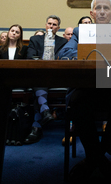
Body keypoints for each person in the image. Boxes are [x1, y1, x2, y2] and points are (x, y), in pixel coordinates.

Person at [57, 0, 111, 181]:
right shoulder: (79, 31)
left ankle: (94, 158)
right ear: (91, 13)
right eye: (97, 8)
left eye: (106, 8)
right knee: (78, 105)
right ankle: (102, 161)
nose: (101, 11)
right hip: (86, 88)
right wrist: (97, 52)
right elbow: (65, 53)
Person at [23, 16, 68, 144]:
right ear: (45, 25)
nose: (51, 26)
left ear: (58, 28)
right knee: (39, 79)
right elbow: (31, 57)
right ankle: (41, 117)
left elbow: (62, 58)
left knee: (38, 83)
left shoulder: (63, 41)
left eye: (54, 24)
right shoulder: (35, 39)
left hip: (55, 74)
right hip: (39, 72)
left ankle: (40, 118)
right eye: (49, 23)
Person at [0, 24, 28, 141]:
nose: (14, 33)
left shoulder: (24, 49)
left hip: (18, 80)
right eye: (12, 31)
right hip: (3, 80)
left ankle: (8, 125)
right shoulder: (1, 49)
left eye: (17, 32)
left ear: (20, 35)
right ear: (8, 32)